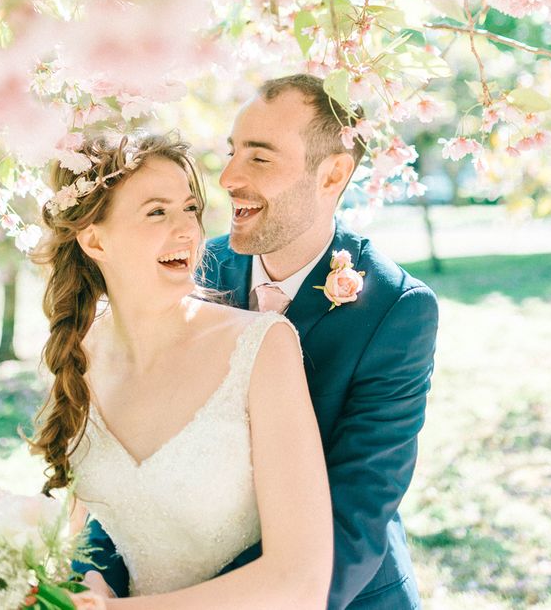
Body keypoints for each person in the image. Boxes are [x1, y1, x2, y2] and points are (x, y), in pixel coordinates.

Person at [81, 74, 439, 609]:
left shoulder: (396, 310)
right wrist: (95, 580)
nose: (227, 178)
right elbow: (139, 462)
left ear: (333, 174)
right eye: (232, 152)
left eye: (260, 158)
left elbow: (355, 513)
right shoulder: (193, 267)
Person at [29, 130, 334, 608]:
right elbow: (85, 527)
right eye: (157, 212)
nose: (188, 230)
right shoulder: (78, 355)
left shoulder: (261, 347)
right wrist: (83, 583)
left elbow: (302, 583)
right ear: (94, 240)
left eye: (190, 208)